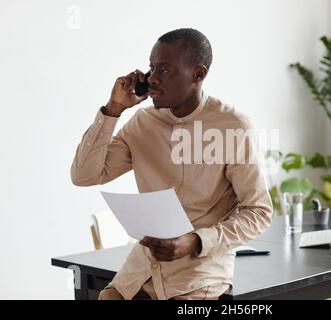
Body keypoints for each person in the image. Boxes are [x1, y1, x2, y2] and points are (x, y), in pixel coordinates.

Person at [70, 28, 273, 300]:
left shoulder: (233, 127)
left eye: (164, 70)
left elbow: (258, 212)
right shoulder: (143, 124)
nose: (152, 78)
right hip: (137, 277)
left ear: (198, 74)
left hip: (197, 283)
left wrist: (196, 241)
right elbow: (84, 175)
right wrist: (112, 110)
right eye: (151, 67)